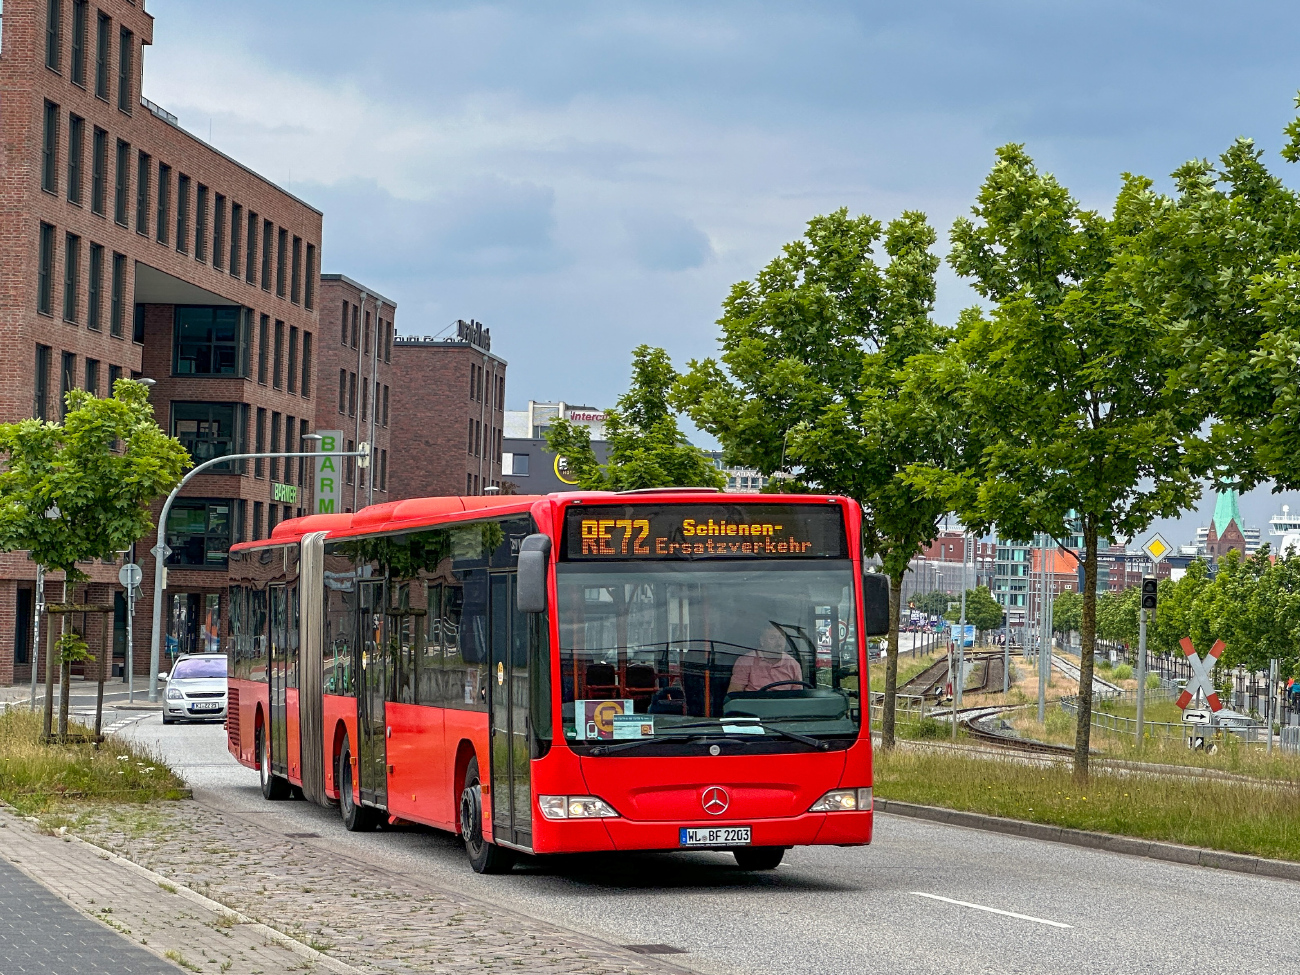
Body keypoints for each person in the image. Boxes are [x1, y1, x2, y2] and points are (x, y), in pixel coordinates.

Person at [728, 623, 804, 694]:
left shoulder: (793, 664)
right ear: (762, 641)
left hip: (784, 706)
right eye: (772, 638)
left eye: (781, 638)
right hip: (754, 705)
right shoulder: (746, 661)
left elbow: (798, 695)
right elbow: (735, 694)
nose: (778, 643)